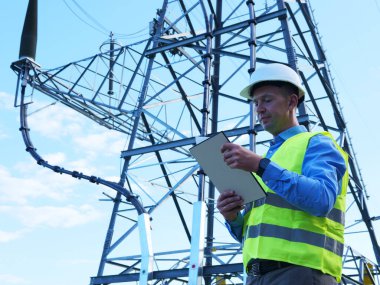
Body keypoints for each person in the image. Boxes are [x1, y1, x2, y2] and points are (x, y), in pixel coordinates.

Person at [216, 63, 348, 285]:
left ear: (292, 101)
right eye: (256, 103)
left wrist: (261, 166)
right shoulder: (266, 163)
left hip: (303, 275)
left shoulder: (316, 143)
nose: (259, 109)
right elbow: (259, 236)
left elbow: (321, 199)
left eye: (267, 100)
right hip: (258, 277)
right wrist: (233, 218)